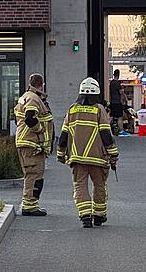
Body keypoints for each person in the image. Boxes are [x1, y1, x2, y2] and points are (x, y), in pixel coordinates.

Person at [57, 78, 119, 228]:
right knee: (100, 185)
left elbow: (64, 134)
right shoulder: (99, 109)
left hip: (77, 158)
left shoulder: (72, 109)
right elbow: (105, 133)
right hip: (97, 158)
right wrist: (113, 154)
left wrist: (60, 153)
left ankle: (85, 216)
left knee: (80, 186)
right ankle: (98, 216)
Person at [13, 73, 54, 216]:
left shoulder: (26, 97)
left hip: (29, 142)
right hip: (32, 143)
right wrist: (40, 131)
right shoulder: (33, 98)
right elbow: (30, 118)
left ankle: (31, 204)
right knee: (33, 174)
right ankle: (29, 206)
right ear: (41, 84)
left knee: (34, 174)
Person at [108, 70, 125, 136]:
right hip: (117, 102)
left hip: (112, 101)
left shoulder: (111, 83)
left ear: (113, 74)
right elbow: (121, 92)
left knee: (112, 116)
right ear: (118, 74)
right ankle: (121, 131)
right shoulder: (118, 83)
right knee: (120, 117)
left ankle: (106, 129)